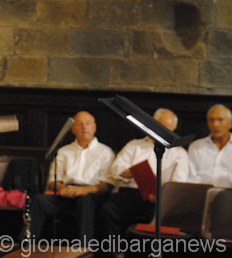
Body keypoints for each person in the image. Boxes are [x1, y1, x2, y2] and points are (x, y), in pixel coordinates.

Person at [98, 108, 188, 255]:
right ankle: (115, 254)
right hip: (131, 192)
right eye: (160, 126)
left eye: (168, 128)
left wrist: (160, 195)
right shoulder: (135, 145)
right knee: (108, 210)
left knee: (157, 216)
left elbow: (179, 183)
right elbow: (115, 168)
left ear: (173, 130)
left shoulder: (179, 153)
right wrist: (131, 172)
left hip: (160, 198)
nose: (163, 131)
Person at [30, 111, 115, 241]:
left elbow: (107, 185)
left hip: (92, 193)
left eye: (88, 123)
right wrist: (62, 188)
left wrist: (83, 190)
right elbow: (53, 180)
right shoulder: (64, 151)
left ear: (94, 127)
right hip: (66, 192)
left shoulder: (105, 152)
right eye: (79, 124)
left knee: (85, 202)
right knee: (40, 200)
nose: (84, 128)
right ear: (73, 129)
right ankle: (28, 243)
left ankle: (85, 247)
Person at [187, 104, 232, 187]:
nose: (215, 124)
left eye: (220, 120)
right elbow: (190, 178)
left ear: (231, 123)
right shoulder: (196, 147)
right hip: (201, 191)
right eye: (211, 120)